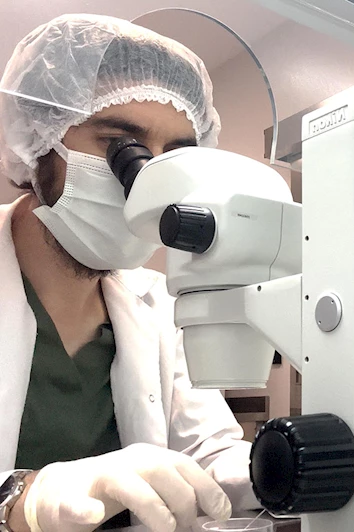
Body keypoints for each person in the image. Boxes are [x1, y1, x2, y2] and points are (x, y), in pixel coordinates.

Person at [0, 14, 259, 532]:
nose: (146, 181)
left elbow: (209, 456)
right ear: (40, 138)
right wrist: (21, 498)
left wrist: (288, 462)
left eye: (175, 158)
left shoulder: (162, 304)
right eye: (119, 143)